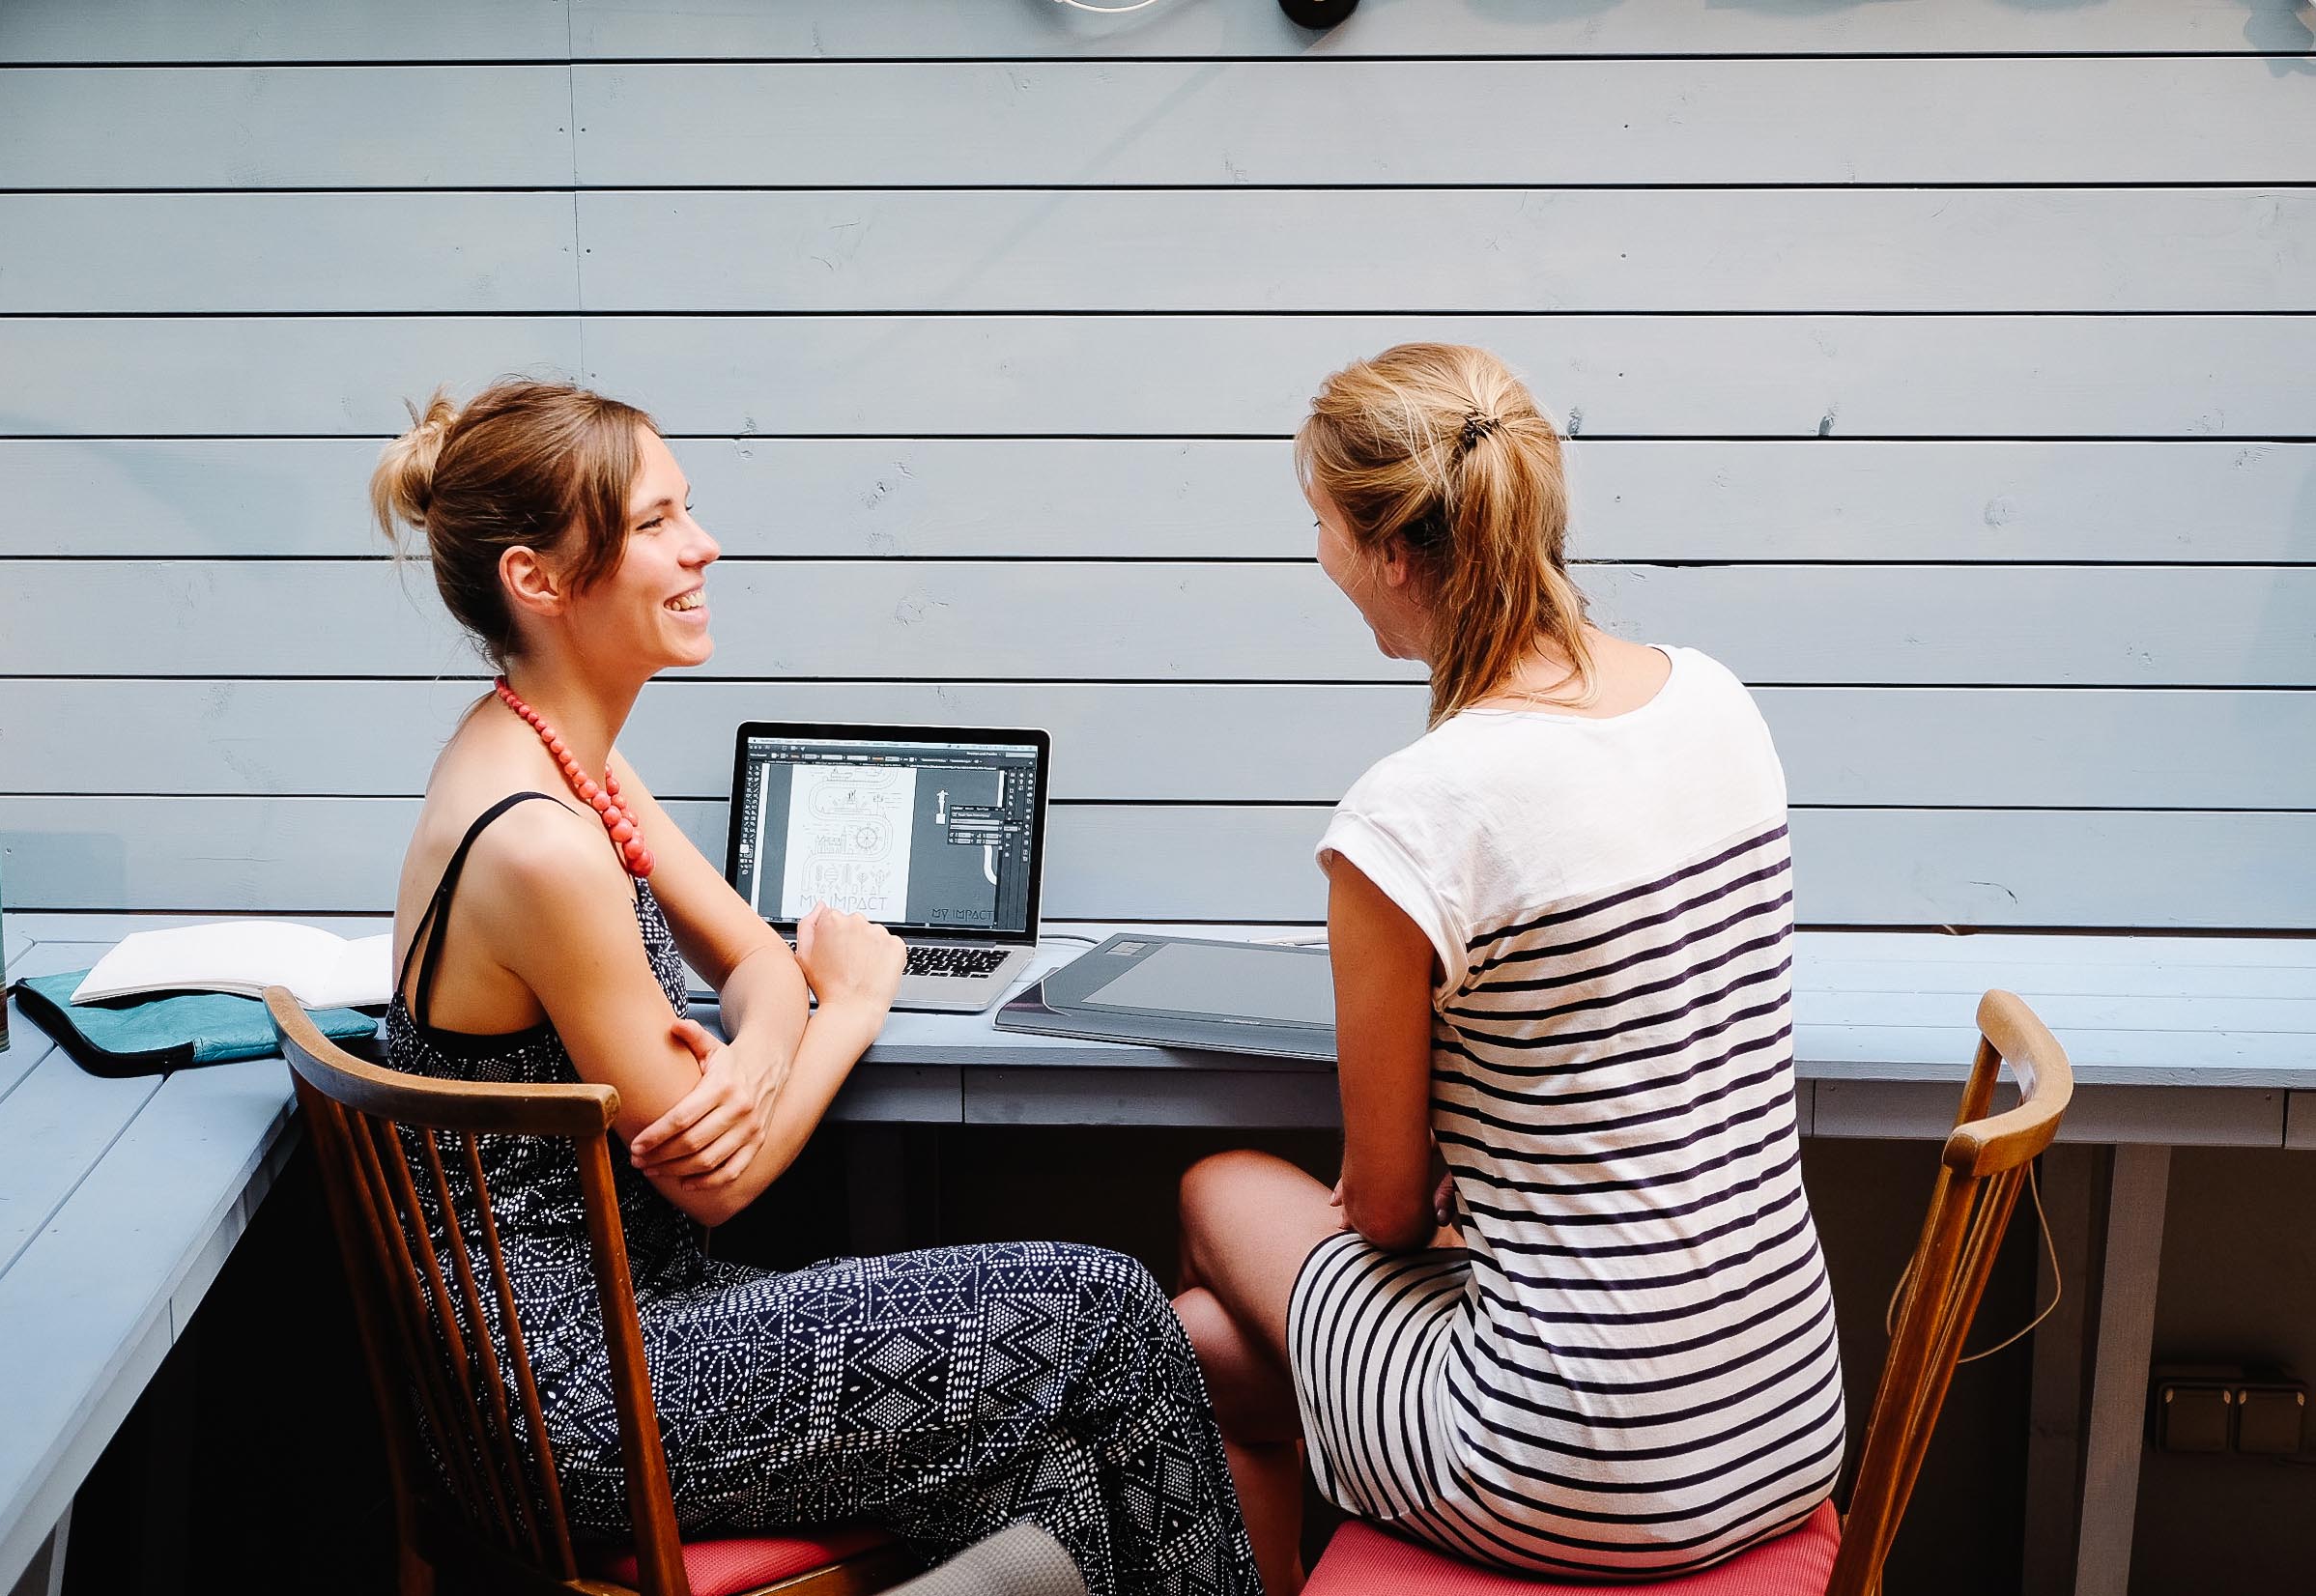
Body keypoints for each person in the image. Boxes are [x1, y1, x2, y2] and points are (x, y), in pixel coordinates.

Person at [370, 378, 1259, 1596]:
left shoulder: (566, 756)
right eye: (656, 523)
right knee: (1108, 1313)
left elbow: (754, 963)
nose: (703, 545)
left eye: (688, 508)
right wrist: (852, 1005)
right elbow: (718, 1175)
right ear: (538, 578)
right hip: (585, 1399)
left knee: (1054, 1469)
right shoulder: (539, 842)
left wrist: (760, 1040)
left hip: (635, 1331)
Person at [1172, 344, 1845, 1592]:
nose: (1318, 558)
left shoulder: (1411, 818)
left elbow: (1385, 1211)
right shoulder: (1716, 700)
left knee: (1216, 1193)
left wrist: (1420, 1180)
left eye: (1320, 526)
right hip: (1783, 1426)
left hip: (1565, 1474)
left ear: (1390, 553)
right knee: (1208, 1346)